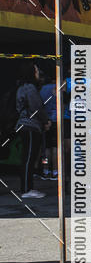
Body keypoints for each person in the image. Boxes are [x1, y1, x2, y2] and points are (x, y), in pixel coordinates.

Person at [15, 62, 50, 199]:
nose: (38, 73)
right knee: (29, 157)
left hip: (25, 125)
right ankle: (26, 189)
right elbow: (37, 108)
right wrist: (46, 121)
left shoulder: (22, 87)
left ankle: (27, 188)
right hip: (30, 125)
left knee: (27, 157)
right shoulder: (30, 88)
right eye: (36, 71)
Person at [40, 76, 58, 178]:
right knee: (55, 147)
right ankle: (55, 171)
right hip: (56, 120)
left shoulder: (43, 88)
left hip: (45, 120)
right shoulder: (59, 87)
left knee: (45, 148)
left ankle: (45, 170)